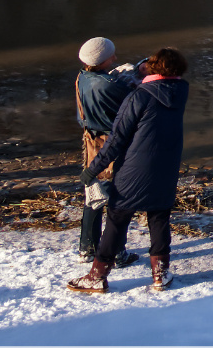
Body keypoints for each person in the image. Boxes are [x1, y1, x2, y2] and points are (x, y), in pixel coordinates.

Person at [68, 46, 190, 294]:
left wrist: (93, 169)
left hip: (135, 168)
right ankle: (160, 275)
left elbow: (116, 139)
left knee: (117, 220)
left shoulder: (139, 96)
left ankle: (97, 275)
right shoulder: (180, 90)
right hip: (166, 167)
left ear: (153, 68)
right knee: (159, 218)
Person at [73, 37, 138, 268]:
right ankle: (117, 253)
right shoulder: (109, 85)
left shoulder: (82, 77)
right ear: (102, 61)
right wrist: (132, 77)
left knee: (94, 194)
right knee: (117, 199)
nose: (116, 58)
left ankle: (87, 247)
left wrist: (115, 75)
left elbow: (82, 115)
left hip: (91, 141)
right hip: (112, 145)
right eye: (112, 56)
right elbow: (135, 101)